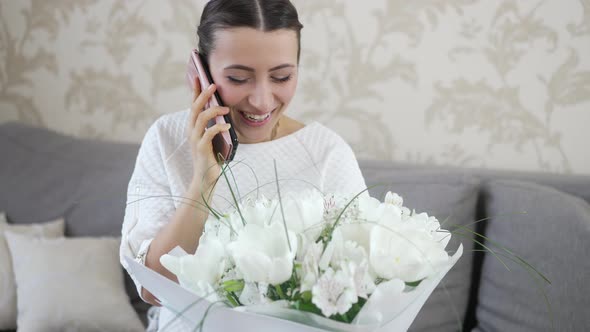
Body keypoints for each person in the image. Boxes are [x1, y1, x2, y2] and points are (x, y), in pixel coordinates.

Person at [120, 0, 366, 330]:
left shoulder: (327, 153)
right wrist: (204, 180)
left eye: (282, 76)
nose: (262, 101)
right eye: (238, 78)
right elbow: (153, 288)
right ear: (201, 71)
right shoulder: (166, 139)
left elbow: (361, 286)